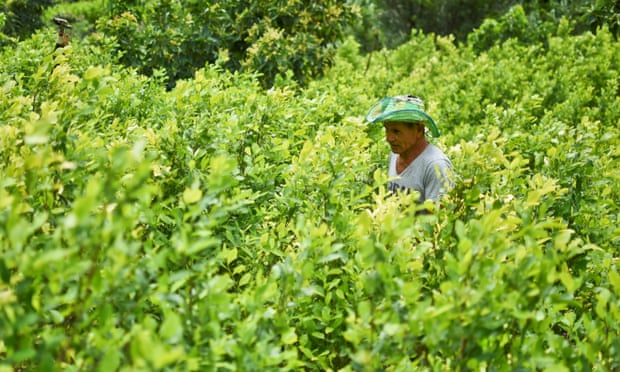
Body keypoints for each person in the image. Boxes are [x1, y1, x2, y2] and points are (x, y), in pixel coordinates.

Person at [366, 95, 453, 203]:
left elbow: (438, 216)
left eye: (396, 131)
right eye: (387, 130)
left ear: (419, 130)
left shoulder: (435, 166)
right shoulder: (396, 153)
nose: (389, 138)